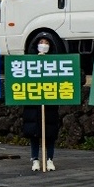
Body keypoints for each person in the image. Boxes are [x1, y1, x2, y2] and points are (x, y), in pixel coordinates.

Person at [22, 37, 59, 171]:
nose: (44, 45)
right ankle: (35, 160)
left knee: (50, 134)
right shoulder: (28, 61)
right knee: (34, 134)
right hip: (33, 104)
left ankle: (49, 159)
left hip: (50, 104)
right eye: (41, 43)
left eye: (47, 43)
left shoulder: (57, 62)